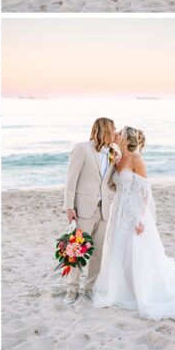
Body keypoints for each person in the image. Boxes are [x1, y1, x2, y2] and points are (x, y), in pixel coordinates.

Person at [94, 127, 175, 329]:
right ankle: (122, 287)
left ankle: (140, 290)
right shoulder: (117, 157)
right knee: (120, 250)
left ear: (127, 139)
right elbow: (113, 185)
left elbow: (145, 192)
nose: (116, 134)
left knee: (136, 251)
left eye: (119, 132)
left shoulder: (136, 159)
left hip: (134, 214)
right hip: (118, 212)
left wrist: (141, 219)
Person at [62, 117, 116, 303]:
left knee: (98, 252)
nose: (115, 131)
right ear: (105, 130)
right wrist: (69, 206)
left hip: (104, 210)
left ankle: (90, 289)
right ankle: (71, 289)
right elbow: (71, 180)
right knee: (76, 251)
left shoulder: (112, 154)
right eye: (113, 129)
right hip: (83, 209)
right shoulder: (82, 149)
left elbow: (109, 183)